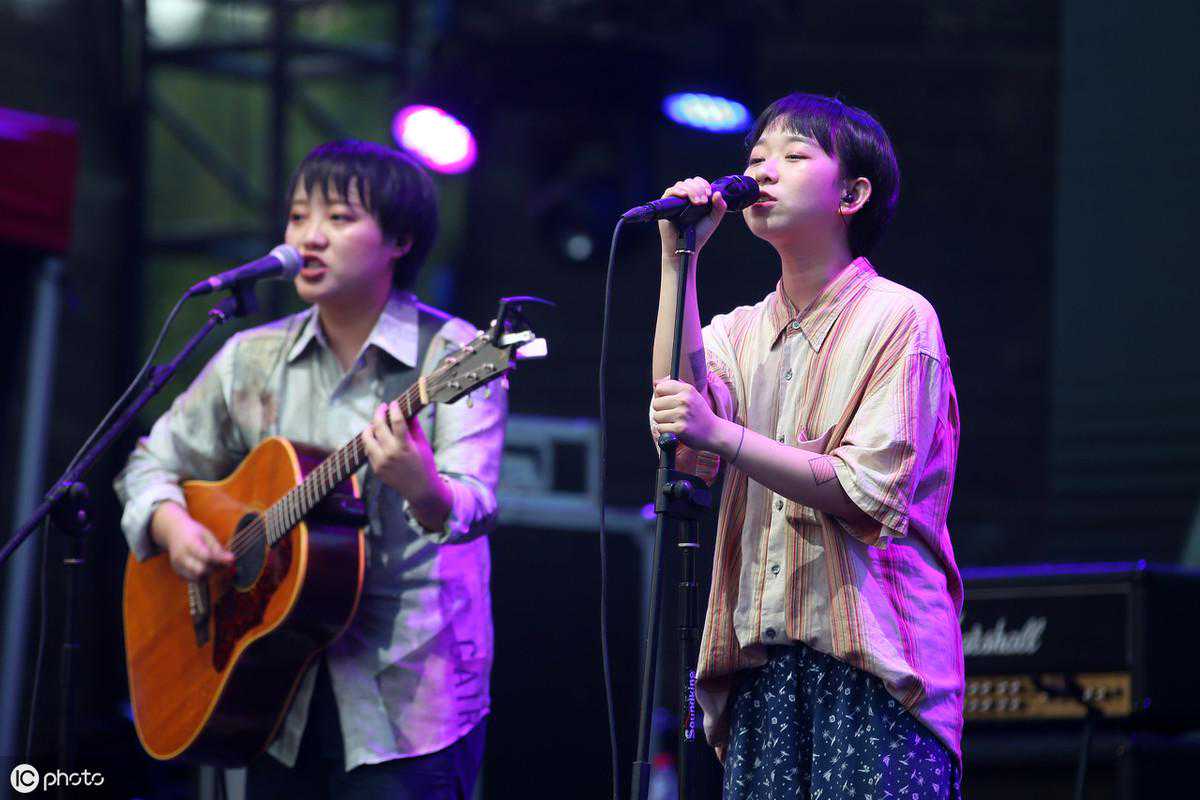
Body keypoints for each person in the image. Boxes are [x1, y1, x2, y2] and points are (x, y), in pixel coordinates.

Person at [115, 140, 505, 799]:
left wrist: (424, 488)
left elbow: (474, 504)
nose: (308, 237)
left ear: (401, 241)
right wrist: (171, 525)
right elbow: (151, 461)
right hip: (265, 693)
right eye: (298, 216)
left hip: (406, 699)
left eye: (339, 218)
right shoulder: (251, 358)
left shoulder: (457, 354)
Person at [649, 93, 963, 798]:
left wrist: (723, 434)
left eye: (793, 156)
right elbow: (681, 436)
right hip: (759, 667)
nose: (763, 171)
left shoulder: (899, 318)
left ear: (852, 194)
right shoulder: (735, 331)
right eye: (757, 156)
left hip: (877, 668)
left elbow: (865, 491)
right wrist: (679, 261)